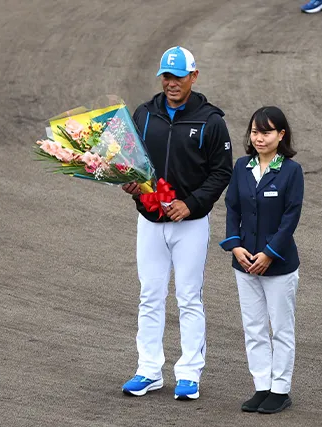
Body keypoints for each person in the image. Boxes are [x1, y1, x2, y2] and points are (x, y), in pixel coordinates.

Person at [121, 46, 233, 400]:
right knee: (150, 295)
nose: (171, 83)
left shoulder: (211, 121)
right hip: (149, 221)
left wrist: (191, 203)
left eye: (178, 77)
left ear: (193, 77)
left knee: (188, 297)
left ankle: (189, 373)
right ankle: (148, 370)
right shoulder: (144, 114)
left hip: (191, 224)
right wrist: (129, 183)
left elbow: (222, 172)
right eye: (166, 76)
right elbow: (129, 160)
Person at [220, 106, 304, 414]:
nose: (259, 138)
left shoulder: (291, 170)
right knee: (253, 327)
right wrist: (235, 246)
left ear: (281, 135)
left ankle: (280, 389)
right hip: (244, 262)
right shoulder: (242, 166)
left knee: (280, 328)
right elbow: (232, 208)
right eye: (255, 131)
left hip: (279, 265)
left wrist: (269, 253)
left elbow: (291, 217)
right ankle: (262, 386)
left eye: (266, 132)